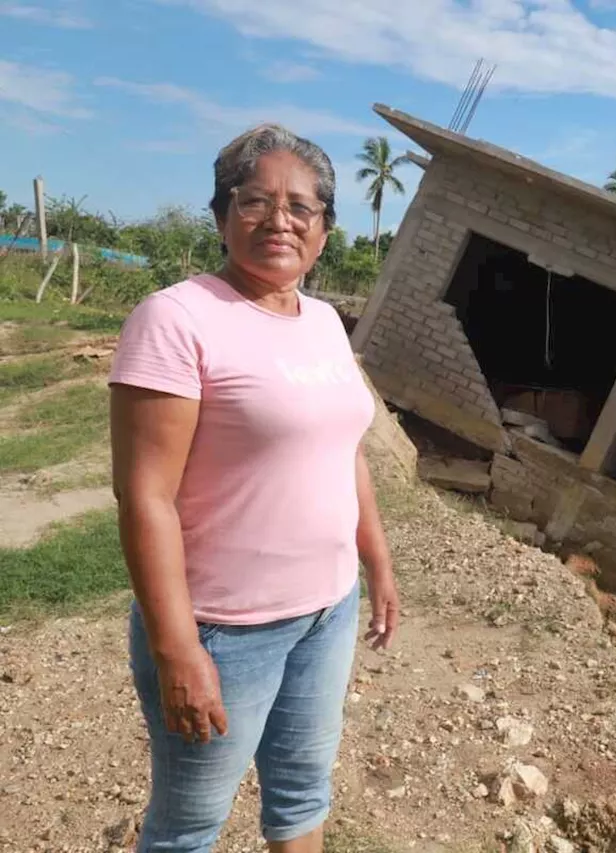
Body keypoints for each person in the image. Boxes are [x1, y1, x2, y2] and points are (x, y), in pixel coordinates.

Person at [108, 124, 401, 853]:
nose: (280, 220)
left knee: (303, 797)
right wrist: (178, 649)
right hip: (224, 628)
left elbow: (346, 450)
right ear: (220, 214)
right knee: (188, 827)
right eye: (255, 201)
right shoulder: (176, 319)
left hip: (327, 612)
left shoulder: (326, 321)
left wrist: (378, 562)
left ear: (325, 231)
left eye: (302, 206)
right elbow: (144, 495)